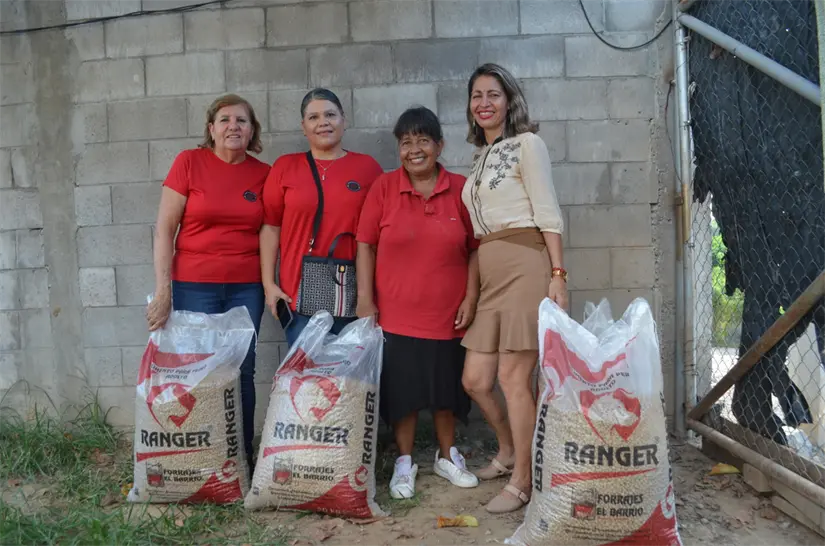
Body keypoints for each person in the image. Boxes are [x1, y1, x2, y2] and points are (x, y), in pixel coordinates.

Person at [459, 63, 569, 514]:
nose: (484, 103)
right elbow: (479, 237)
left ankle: (524, 481)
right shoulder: (479, 158)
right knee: (475, 380)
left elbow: (548, 210)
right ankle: (507, 451)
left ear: (510, 101)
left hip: (526, 263)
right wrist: (471, 292)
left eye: (493, 94)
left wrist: (558, 275)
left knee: (512, 378)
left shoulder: (528, 144)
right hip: (490, 274)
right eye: (476, 95)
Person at [355, 106, 480, 499]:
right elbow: (365, 245)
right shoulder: (385, 188)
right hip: (396, 314)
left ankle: (447, 456)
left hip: (448, 314)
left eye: (423, 140)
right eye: (406, 142)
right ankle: (405, 463)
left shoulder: (460, 188)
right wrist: (364, 299)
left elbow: (476, 249)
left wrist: (472, 296)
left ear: (439, 145)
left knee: (446, 391)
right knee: (404, 395)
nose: (414, 149)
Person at [145, 93, 270, 472]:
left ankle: (240, 455)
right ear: (211, 129)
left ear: (252, 131)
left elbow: (269, 233)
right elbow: (165, 230)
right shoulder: (189, 163)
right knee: (198, 370)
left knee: (242, 371)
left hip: (245, 288)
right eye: (226, 120)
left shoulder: (264, 174)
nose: (234, 126)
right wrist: (164, 291)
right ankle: (200, 454)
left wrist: (268, 284)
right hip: (193, 286)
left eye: (242, 121)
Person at [260, 88, 384, 346]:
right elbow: (271, 228)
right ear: (304, 127)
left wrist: (368, 297)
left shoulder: (368, 168)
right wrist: (269, 284)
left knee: (350, 385)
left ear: (344, 120)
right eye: (313, 117)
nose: (323, 122)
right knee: (306, 383)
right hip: (297, 297)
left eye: (330, 114)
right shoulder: (285, 167)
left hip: (354, 296)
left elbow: (378, 235)